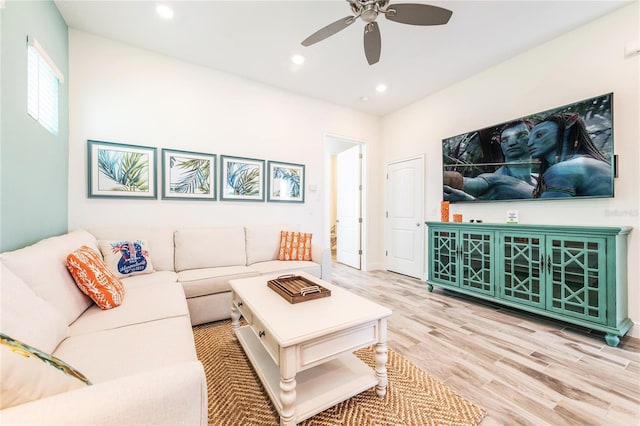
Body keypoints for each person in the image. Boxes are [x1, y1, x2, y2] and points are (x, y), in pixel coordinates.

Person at [444, 119, 536, 201]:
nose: (511, 143)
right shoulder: (493, 179)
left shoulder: (540, 178)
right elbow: (466, 182)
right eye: (504, 140)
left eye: (521, 135)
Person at [527, 113, 612, 198]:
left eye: (540, 135)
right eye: (529, 139)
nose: (529, 143)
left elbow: (551, 209)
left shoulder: (561, 170)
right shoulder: (597, 163)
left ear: (566, 130)